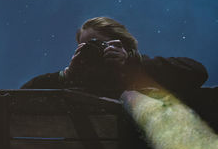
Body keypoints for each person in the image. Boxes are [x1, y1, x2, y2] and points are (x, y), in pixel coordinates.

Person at [21, 17, 208, 96]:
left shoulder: (138, 72)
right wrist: (67, 74)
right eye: (86, 47)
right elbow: (21, 96)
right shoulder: (81, 82)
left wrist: (131, 63)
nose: (92, 52)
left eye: (98, 44)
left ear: (121, 44)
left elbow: (197, 72)